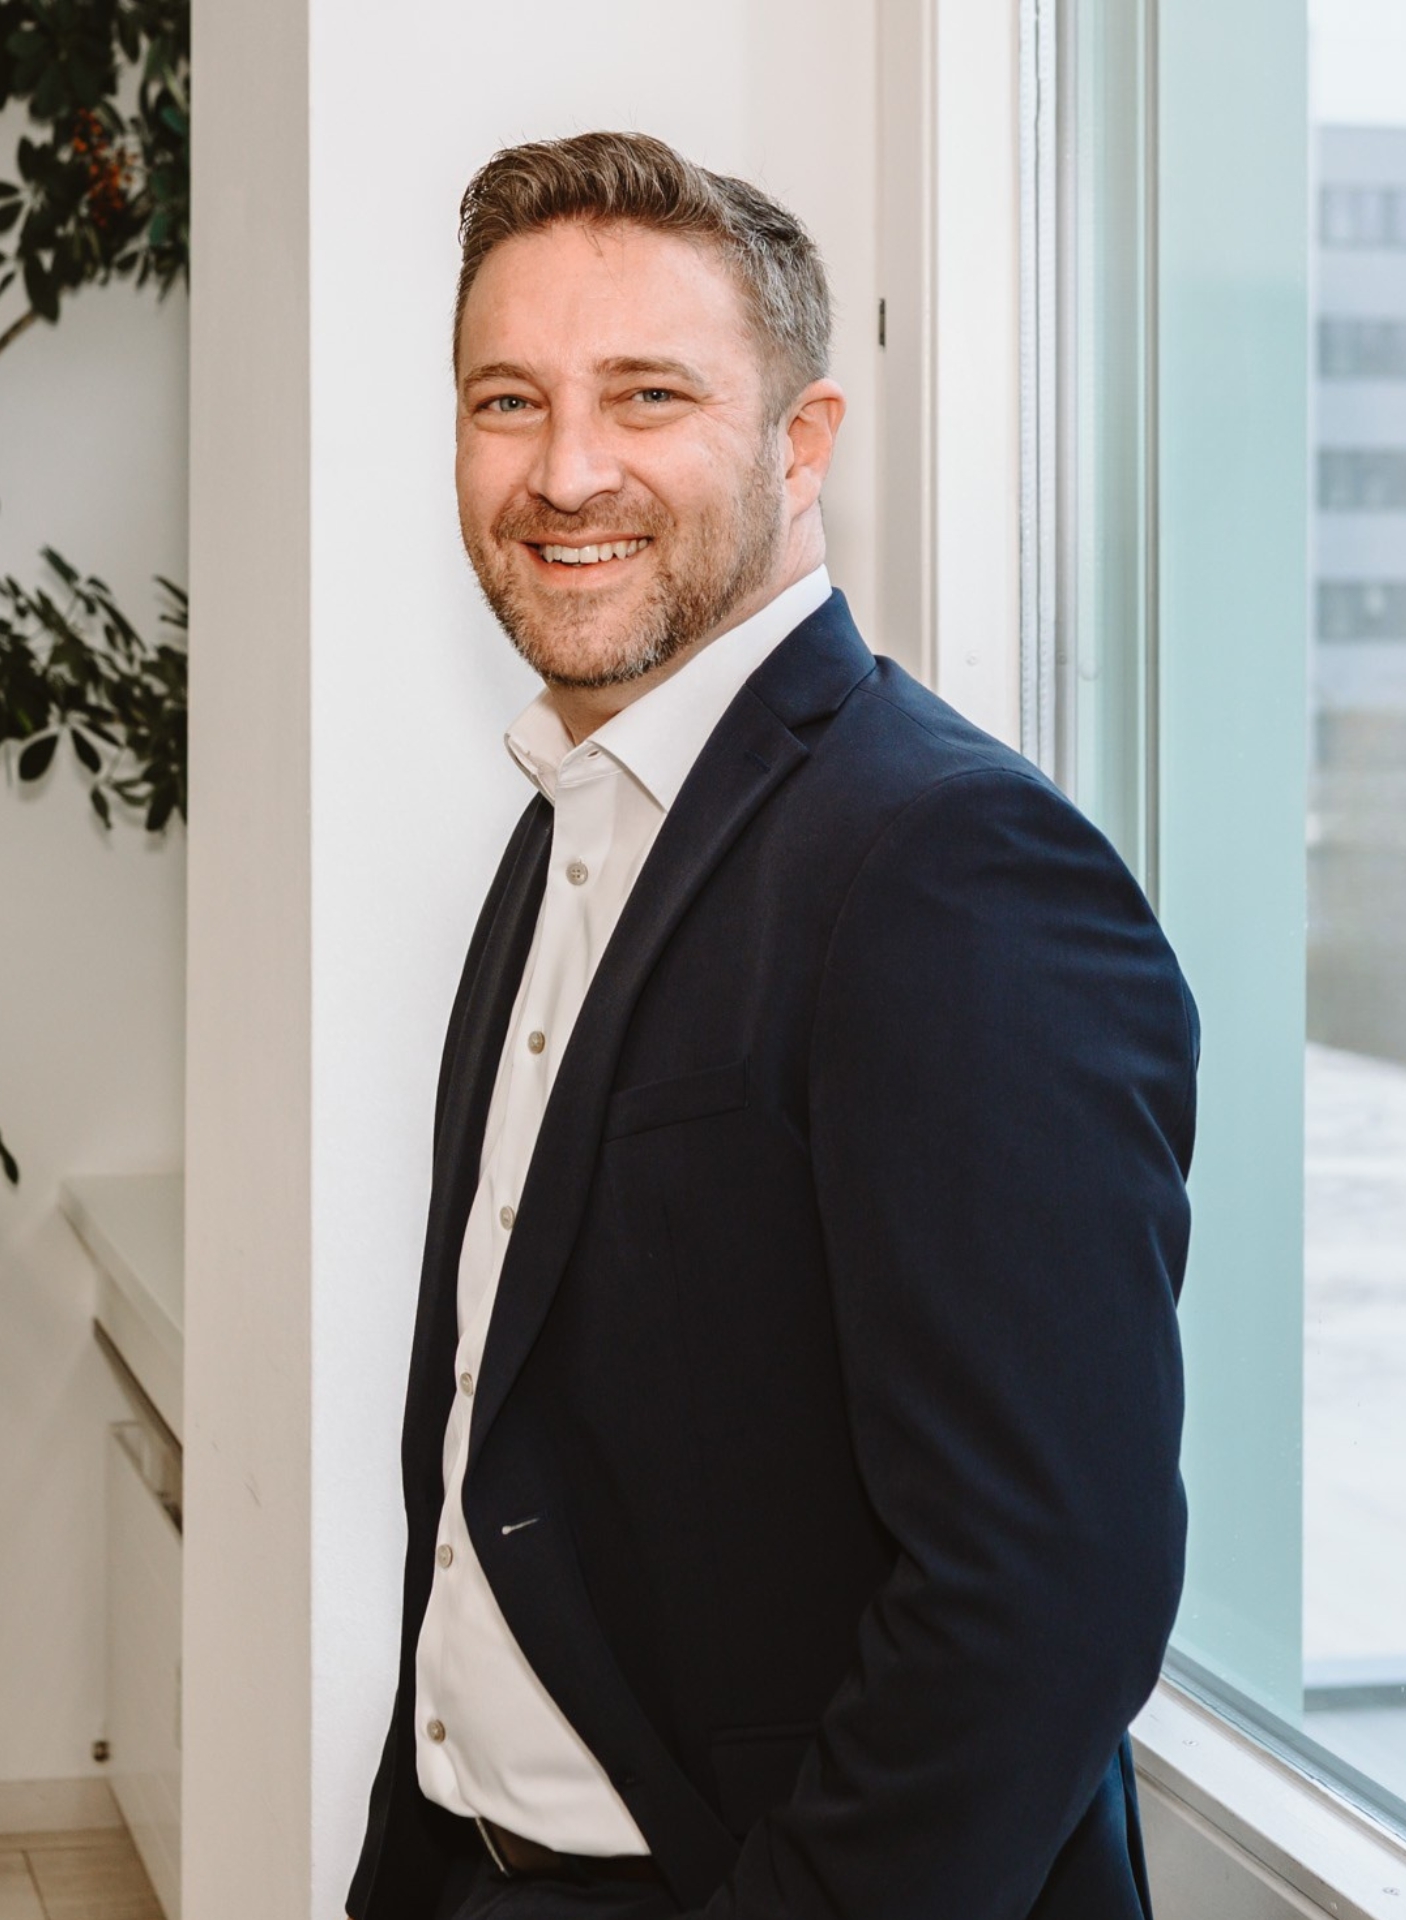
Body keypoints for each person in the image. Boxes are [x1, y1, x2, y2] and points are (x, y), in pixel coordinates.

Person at [344, 131, 1198, 1920]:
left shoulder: (950, 863)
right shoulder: (572, 822)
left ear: (801, 445)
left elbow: (1043, 1595)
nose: (564, 470)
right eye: (507, 401)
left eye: (646, 395)